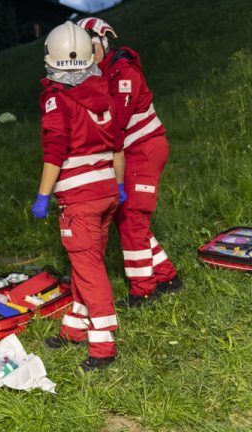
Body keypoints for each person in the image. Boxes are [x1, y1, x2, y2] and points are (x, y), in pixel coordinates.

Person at [31, 22, 125, 371]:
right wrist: (118, 185)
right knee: (85, 263)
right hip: (105, 192)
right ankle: (75, 327)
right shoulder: (104, 90)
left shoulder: (56, 98)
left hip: (80, 197)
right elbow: (117, 146)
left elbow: (54, 152)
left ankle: (103, 344)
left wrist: (43, 195)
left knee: (88, 269)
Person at [78, 17, 182, 306]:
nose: (86, 53)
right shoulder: (100, 73)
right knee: (130, 218)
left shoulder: (122, 73)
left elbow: (115, 126)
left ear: (103, 43)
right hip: (129, 150)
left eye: (90, 46)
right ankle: (167, 276)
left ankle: (143, 290)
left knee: (132, 221)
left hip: (143, 150)